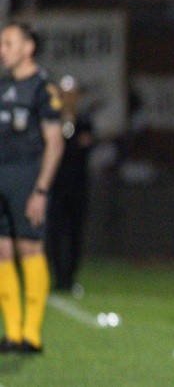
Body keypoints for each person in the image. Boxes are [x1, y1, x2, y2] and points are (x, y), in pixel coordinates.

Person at [0, 22, 65, 353]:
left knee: (30, 249)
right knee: (2, 252)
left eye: (8, 43)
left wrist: (40, 190)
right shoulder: (2, 85)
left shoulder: (42, 88)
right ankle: (12, 332)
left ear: (29, 47)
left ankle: (32, 334)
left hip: (27, 177)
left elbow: (55, 142)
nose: (2, 50)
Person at [46, 74, 94, 293]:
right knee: (54, 235)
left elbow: (83, 150)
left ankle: (70, 278)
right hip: (56, 186)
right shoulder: (52, 120)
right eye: (64, 95)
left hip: (78, 187)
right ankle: (57, 278)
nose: (68, 99)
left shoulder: (84, 121)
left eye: (72, 94)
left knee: (75, 235)